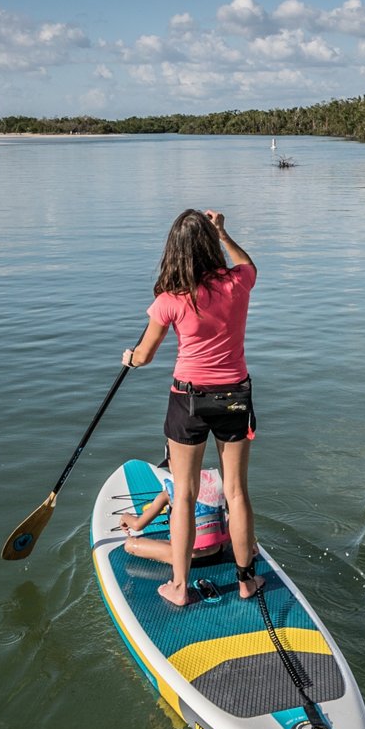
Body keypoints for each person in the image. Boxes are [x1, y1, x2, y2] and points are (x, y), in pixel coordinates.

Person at [121, 208, 261, 606]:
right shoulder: (239, 284)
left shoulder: (170, 300)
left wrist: (130, 357)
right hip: (236, 396)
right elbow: (247, 264)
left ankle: (179, 588)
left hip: (188, 399)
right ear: (209, 244)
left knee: (183, 492)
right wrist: (224, 233)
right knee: (236, 491)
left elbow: (145, 356)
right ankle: (247, 581)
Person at [119, 464, 230, 566]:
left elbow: (137, 525)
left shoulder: (167, 493)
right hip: (218, 551)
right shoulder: (216, 484)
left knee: (130, 544)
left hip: (185, 559)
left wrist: (125, 517)